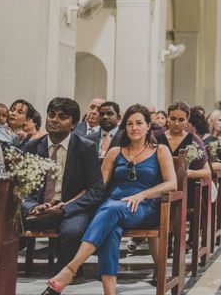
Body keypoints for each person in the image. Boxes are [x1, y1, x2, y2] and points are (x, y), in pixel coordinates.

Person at [42, 104, 177, 295]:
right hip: (112, 206)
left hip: (142, 206)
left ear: (148, 126)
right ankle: (109, 292)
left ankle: (70, 269)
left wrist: (142, 194)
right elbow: (98, 187)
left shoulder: (160, 150)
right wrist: (70, 202)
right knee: (111, 228)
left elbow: (172, 183)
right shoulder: (115, 152)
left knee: (110, 210)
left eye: (139, 123)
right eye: (129, 123)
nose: (134, 128)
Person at [23, 97, 104, 274]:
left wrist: (65, 208)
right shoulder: (33, 146)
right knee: (5, 223)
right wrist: (33, 207)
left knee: (73, 231)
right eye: (51, 115)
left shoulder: (85, 147)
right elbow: (21, 188)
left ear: (74, 124)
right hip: (38, 208)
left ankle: (62, 276)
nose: (54, 120)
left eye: (62, 116)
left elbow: (96, 190)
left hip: (70, 209)